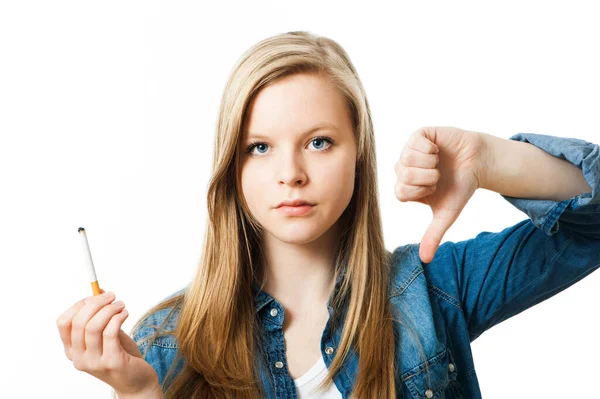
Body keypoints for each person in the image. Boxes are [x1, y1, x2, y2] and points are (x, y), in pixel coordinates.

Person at [56, 30, 600, 399]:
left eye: (318, 142)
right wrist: (143, 395)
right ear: (233, 167)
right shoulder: (165, 342)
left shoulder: (435, 289)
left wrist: (492, 160)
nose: (290, 172)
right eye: (260, 148)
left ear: (358, 153)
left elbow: (591, 229)